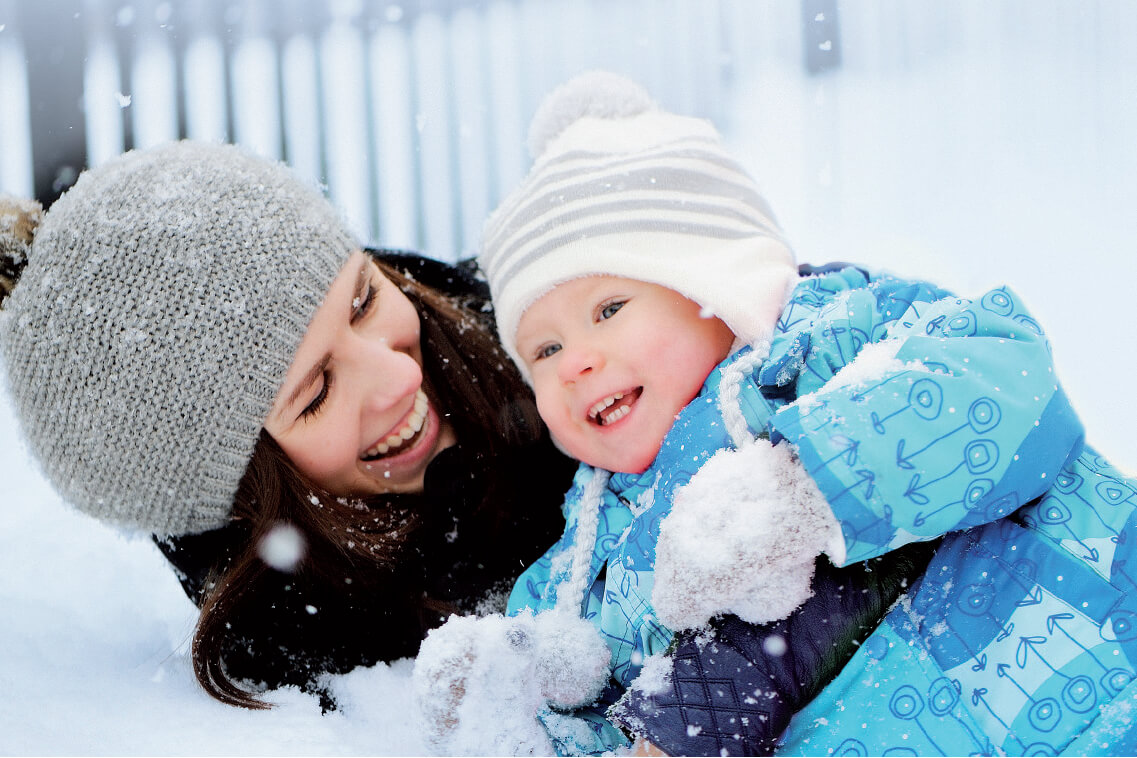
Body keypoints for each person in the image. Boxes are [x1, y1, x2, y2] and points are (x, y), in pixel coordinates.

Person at [420, 70, 1137, 757]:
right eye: (543, 349)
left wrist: (804, 487)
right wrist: (511, 693)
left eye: (609, 310)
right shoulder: (589, 554)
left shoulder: (832, 336)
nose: (574, 360)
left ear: (710, 278)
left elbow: (1002, 390)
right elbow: (617, 708)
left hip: (1096, 679)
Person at [0, 140, 575, 711]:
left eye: (363, 302)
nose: (398, 375)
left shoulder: (571, 327)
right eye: (318, 392)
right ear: (247, 498)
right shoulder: (308, 648)